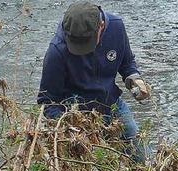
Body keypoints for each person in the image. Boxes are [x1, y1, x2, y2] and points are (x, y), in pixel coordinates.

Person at [37, 1, 151, 162]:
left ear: (101, 26)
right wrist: (69, 130)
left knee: (143, 159)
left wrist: (134, 79)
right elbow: (47, 101)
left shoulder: (117, 27)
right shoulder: (57, 51)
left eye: (85, 42)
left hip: (111, 105)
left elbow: (127, 63)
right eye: (76, 43)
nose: (80, 48)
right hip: (75, 117)